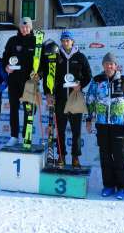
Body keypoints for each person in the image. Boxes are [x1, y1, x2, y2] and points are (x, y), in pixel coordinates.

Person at [86, 52, 124, 200]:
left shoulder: (123, 81)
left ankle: (121, 187)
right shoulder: (97, 80)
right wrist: (89, 119)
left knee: (119, 156)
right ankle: (108, 185)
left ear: (116, 66)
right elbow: (90, 100)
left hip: (118, 125)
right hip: (102, 124)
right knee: (105, 156)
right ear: (103, 65)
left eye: (111, 64)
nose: (109, 66)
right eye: (106, 64)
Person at [43, 31, 91, 168]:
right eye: (63, 40)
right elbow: (48, 76)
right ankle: (61, 156)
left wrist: (80, 85)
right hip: (60, 98)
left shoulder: (80, 57)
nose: (65, 43)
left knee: (76, 130)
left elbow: (88, 75)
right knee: (61, 130)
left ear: (72, 42)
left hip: (75, 97)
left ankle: (75, 158)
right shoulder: (56, 56)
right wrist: (48, 93)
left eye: (68, 40)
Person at [2, 17, 39, 146]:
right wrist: (6, 67)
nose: (24, 29)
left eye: (27, 27)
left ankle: (26, 136)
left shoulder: (36, 42)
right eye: (22, 27)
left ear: (31, 27)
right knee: (13, 108)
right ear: (19, 27)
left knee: (29, 109)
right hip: (14, 81)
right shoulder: (12, 41)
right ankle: (14, 136)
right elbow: (4, 58)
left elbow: (42, 63)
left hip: (29, 82)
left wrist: (39, 74)